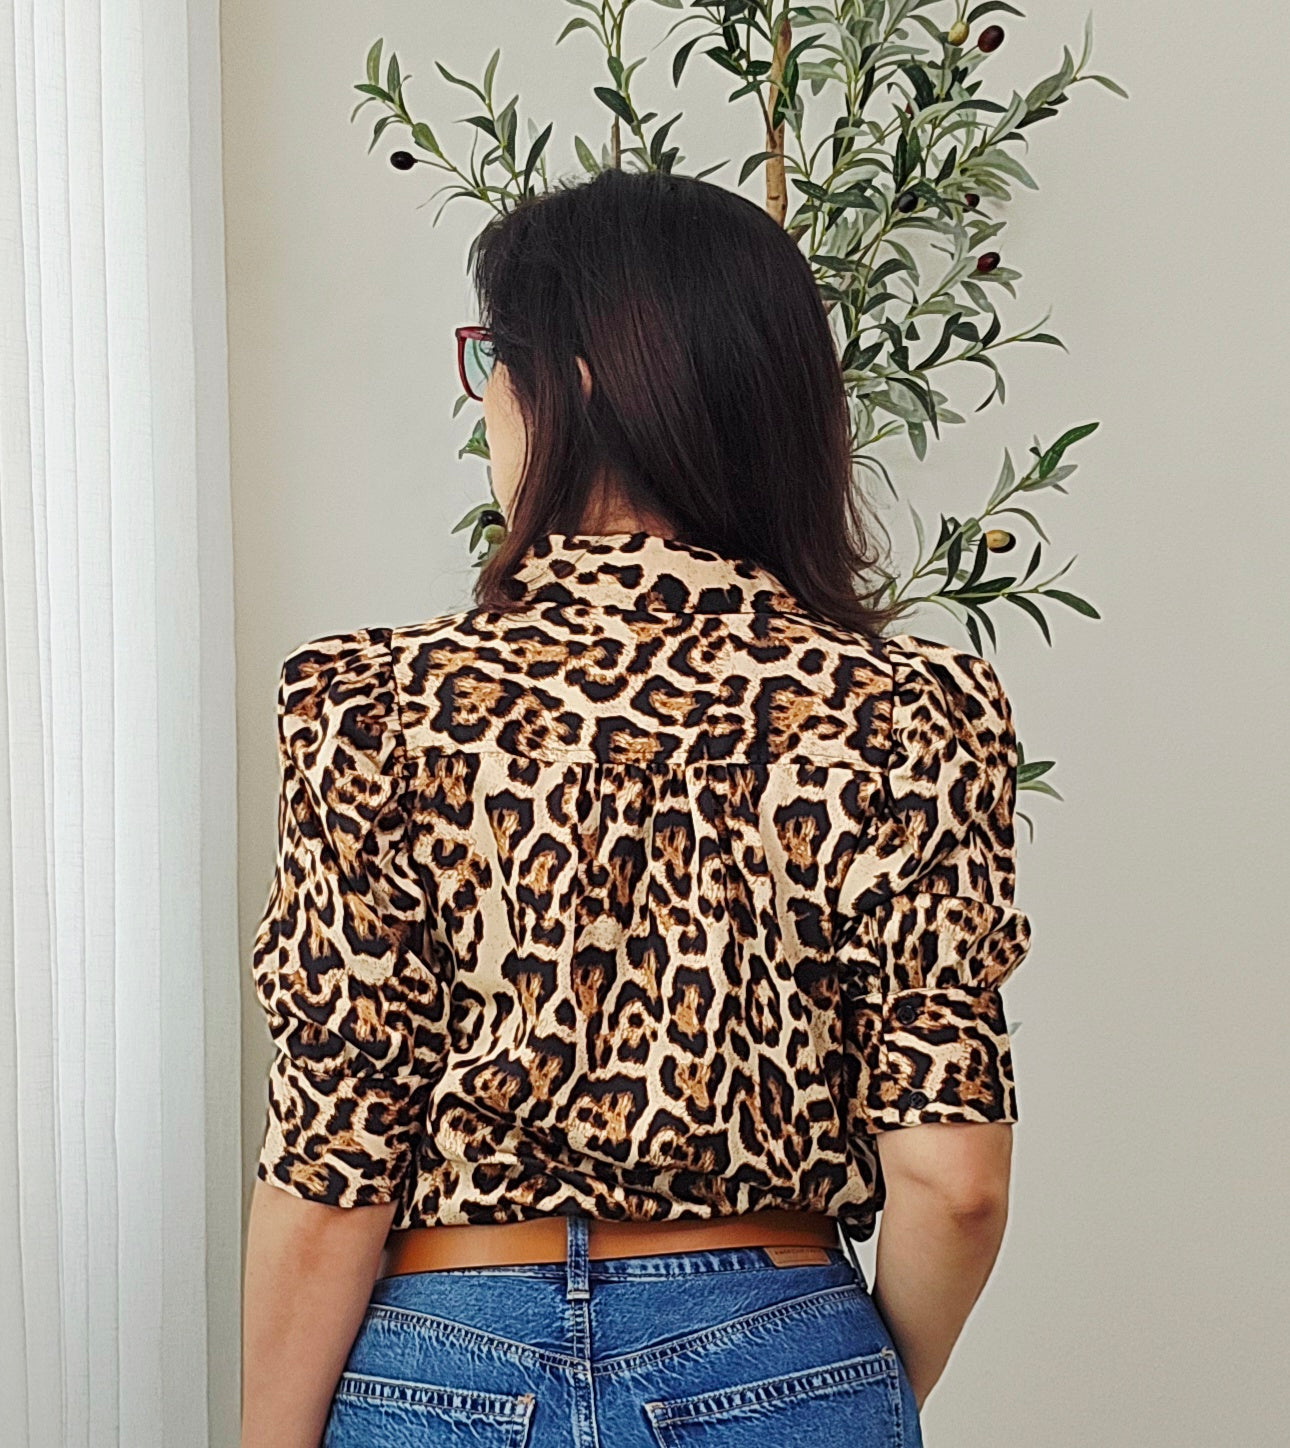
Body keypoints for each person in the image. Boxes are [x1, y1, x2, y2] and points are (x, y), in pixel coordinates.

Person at [240, 167, 1032, 1448]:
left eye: (492, 359)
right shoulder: (905, 709)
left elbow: (332, 1168)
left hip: (444, 1358)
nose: (486, 403)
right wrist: (831, 1378)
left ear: (574, 381)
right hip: (781, 1334)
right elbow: (957, 1179)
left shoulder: (373, 706)